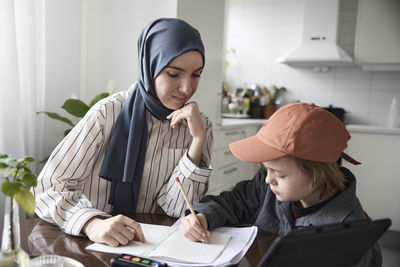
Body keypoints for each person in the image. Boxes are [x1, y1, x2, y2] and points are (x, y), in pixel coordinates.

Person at [32, 18, 213, 247]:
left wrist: (197, 141)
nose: (187, 88)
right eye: (174, 74)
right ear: (150, 66)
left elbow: (177, 209)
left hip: (154, 249)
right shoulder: (107, 113)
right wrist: (92, 223)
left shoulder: (199, 125)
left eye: (196, 75)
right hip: (92, 246)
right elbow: (47, 188)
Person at [180, 102, 382, 267]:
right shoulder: (269, 184)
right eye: (266, 169)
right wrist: (202, 216)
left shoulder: (349, 235)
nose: (268, 179)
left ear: (317, 175)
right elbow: (233, 202)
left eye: (279, 174)